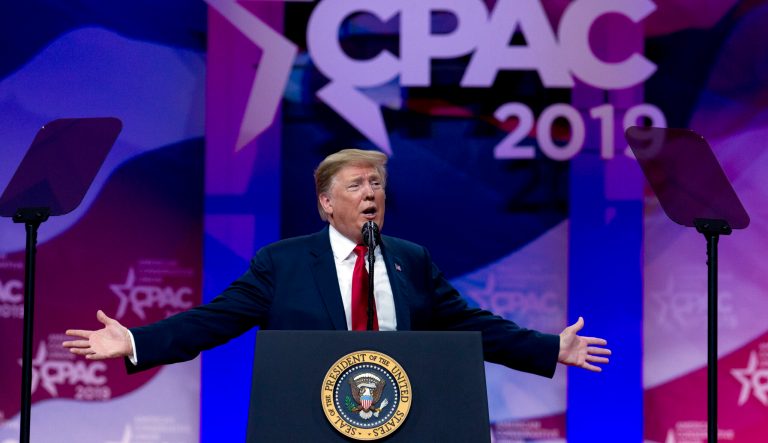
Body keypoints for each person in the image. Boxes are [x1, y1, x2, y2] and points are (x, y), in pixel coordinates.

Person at [64, 149, 610, 377]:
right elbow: (213, 320)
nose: (371, 192)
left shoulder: (409, 261)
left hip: (403, 417)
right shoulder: (283, 263)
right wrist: (135, 341)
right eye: (356, 185)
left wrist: (548, 347)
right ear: (326, 202)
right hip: (310, 421)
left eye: (377, 183)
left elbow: (471, 325)